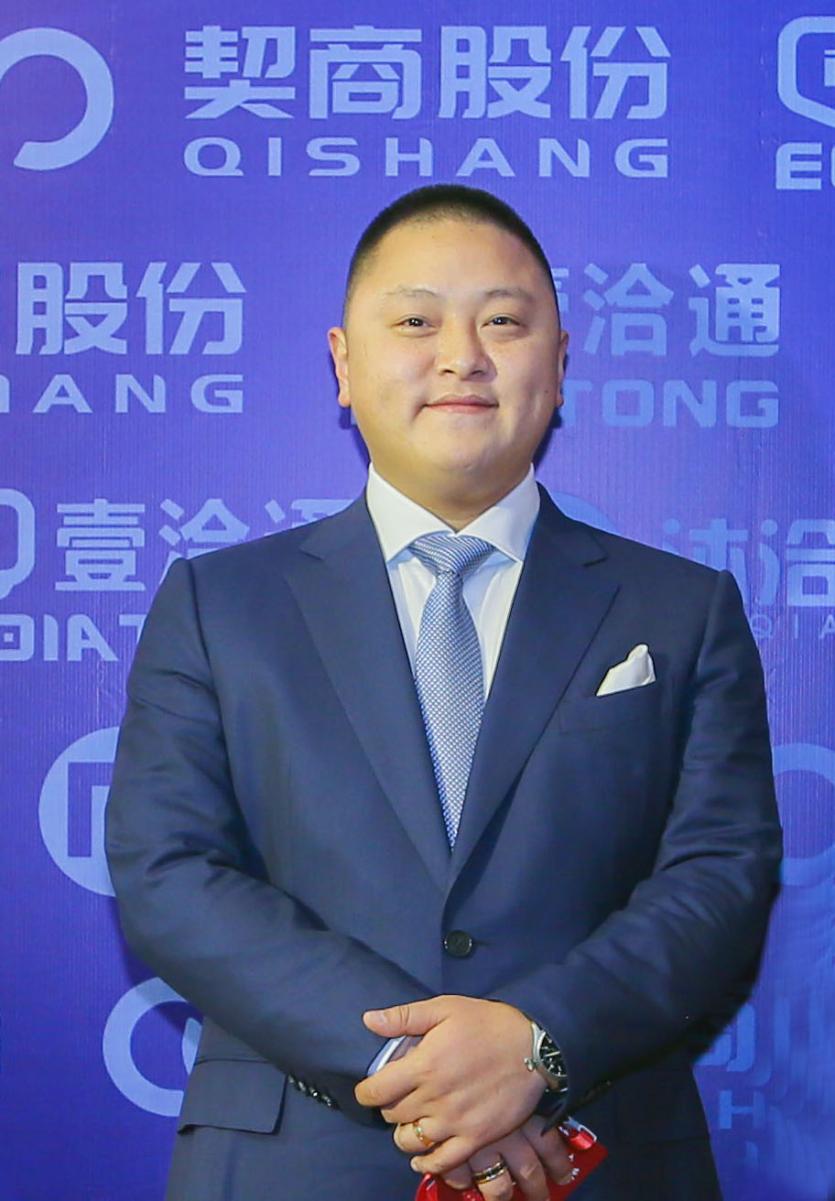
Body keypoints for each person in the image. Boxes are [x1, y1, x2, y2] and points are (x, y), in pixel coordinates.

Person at [105, 183, 782, 1201]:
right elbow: (169, 869)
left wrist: (537, 1043)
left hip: (597, 1155)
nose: (462, 356)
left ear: (559, 362)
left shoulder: (680, 609)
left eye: (503, 322)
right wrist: (421, 1067)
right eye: (416, 321)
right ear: (344, 363)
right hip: (293, 1159)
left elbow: (720, 874)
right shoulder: (219, 603)